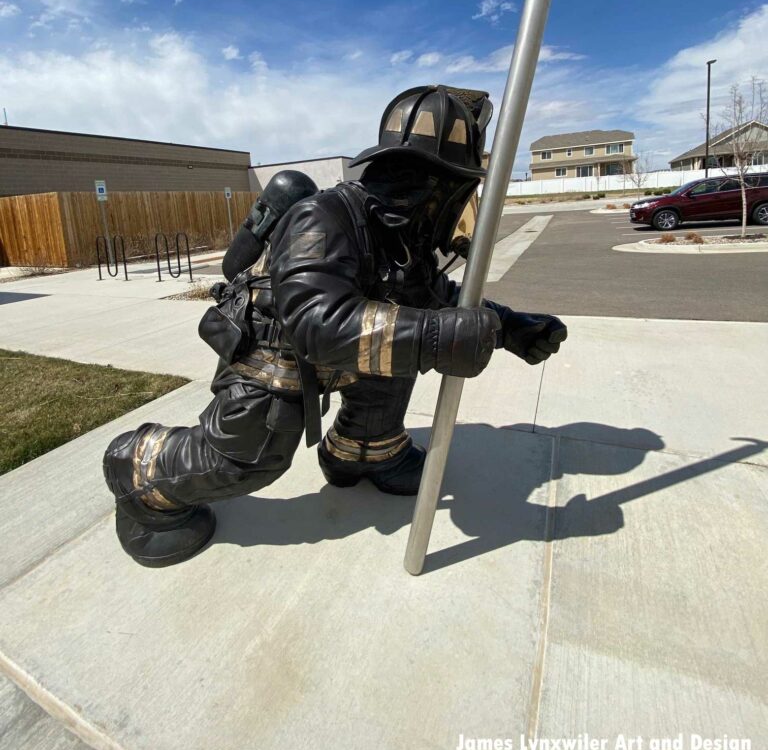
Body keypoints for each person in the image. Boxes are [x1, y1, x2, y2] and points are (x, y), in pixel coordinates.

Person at [103, 85, 567, 567]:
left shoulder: (398, 235)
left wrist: (508, 326)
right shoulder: (321, 218)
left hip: (332, 353)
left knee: (399, 349)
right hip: (274, 349)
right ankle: (138, 472)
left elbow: (433, 298)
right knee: (252, 452)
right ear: (433, 185)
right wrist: (440, 337)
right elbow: (317, 325)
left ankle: (364, 451)